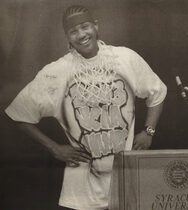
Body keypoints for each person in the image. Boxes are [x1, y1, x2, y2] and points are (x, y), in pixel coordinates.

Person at [5, 5, 167, 210]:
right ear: (67, 37)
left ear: (96, 26)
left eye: (85, 27)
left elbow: (157, 92)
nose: (81, 34)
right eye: (73, 31)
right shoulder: (57, 71)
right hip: (82, 193)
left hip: (127, 184)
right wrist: (54, 148)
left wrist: (149, 131)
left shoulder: (125, 58)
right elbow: (18, 113)